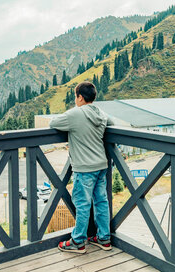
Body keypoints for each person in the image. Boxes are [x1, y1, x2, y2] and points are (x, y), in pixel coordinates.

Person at [49, 81, 113, 253]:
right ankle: (104, 238)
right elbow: (112, 122)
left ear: (80, 97)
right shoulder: (100, 113)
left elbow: (53, 123)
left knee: (83, 205)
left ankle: (78, 241)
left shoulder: (75, 114)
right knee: (101, 202)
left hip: (84, 168)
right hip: (101, 164)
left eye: (75, 96)